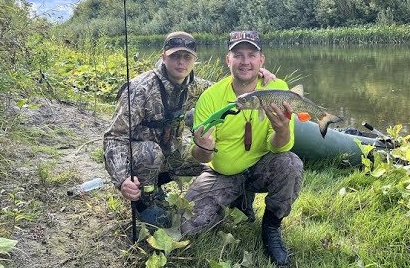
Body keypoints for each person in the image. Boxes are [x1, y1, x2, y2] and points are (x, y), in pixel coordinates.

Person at [103, 31, 276, 227]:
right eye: (175, 56)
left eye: (187, 57)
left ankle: (241, 200)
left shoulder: (196, 86)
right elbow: (113, 138)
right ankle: (145, 205)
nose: (181, 63)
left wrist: (259, 75)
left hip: (173, 152)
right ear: (163, 57)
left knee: (219, 161)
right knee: (149, 152)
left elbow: (232, 89)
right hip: (141, 156)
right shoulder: (138, 89)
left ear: (194, 60)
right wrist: (121, 179)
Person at [182, 30, 304, 266]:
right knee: (189, 226)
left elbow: (280, 147)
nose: (245, 61)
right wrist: (203, 147)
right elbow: (199, 156)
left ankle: (271, 228)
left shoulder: (277, 88)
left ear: (262, 60)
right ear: (228, 60)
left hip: (260, 166)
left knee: (290, 163)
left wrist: (282, 130)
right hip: (222, 172)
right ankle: (240, 201)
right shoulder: (210, 97)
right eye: (238, 55)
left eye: (251, 55)